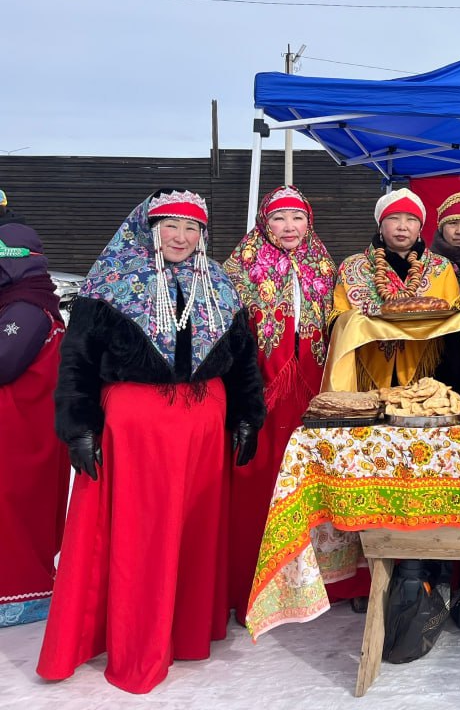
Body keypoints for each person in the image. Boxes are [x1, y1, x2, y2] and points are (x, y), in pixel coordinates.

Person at [38, 190, 264, 694]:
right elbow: (75, 362)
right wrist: (79, 427)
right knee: (139, 534)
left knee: (194, 525)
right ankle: (137, 638)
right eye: (171, 227)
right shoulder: (109, 284)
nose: (181, 238)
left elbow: (245, 358)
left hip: (204, 425)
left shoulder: (220, 285)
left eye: (191, 230)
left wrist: (248, 416)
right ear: (150, 228)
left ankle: (184, 630)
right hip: (136, 429)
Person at [223, 186, 365, 622]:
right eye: (280, 218)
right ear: (265, 222)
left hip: (314, 392)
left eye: (297, 218)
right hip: (263, 393)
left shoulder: (324, 265)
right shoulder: (239, 268)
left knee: (319, 482)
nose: (289, 227)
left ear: (309, 222)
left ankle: (331, 583)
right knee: (262, 480)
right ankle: (254, 581)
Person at [0, 206, 69, 627]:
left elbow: (3, 363)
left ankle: (19, 596)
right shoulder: (29, 303)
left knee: (13, 511)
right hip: (27, 429)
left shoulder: (24, 309)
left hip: (20, 433)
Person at [331, 188, 460, 390]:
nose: (402, 227)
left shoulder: (441, 267)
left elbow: (455, 324)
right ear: (380, 226)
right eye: (393, 218)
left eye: (411, 219)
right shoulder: (353, 267)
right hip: (366, 367)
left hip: (430, 372)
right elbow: (337, 322)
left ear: (420, 228)